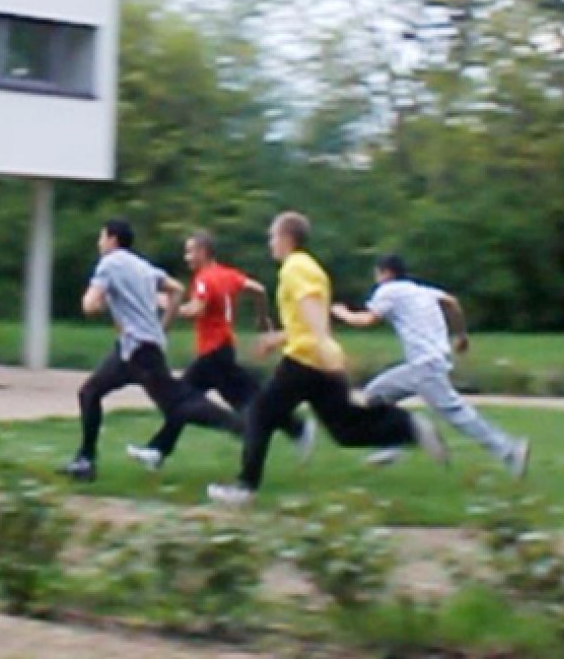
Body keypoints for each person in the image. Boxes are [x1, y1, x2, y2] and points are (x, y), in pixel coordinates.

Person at [207, 212, 442, 505]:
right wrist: (278, 339)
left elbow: (309, 308)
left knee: (259, 414)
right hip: (318, 357)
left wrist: (321, 340)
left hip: (305, 359)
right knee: (344, 429)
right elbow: (303, 321)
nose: (270, 243)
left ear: (287, 238)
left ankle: (244, 488)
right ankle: (408, 427)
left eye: (272, 237)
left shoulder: (294, 268)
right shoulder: (312, 267)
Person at [60, 218, 244, 483]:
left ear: (112, 240)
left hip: (140, 352)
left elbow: (90, 304)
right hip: (131, 349)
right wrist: (163, 327)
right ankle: (85, 461)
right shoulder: (142, 266)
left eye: (102, 238)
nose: (100, 243)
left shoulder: (109, 263)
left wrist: (92, 302)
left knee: (179, 404)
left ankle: (243, 427)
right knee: (90, 392)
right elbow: (176, 289)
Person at [334, 254, 532, 480]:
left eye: (377, 274)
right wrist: (461, 334)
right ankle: (392, 446)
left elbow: (366, 320)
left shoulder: (389, 290)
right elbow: (451, 302)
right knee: (374, 395)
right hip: (429, 363)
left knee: (458, 414)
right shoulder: (421, 290)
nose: (376, 279)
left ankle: (510, 451)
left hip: (423, 366)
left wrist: (342, 313)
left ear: (386, 273)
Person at [126, 231, 311, 470]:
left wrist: (169, 305)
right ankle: (158, 450)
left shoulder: (203, 279)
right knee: (193, 401)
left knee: (186, 400)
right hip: (221, 352)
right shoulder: (228, 274)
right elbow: (259, 289)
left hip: (213, 354)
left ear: (203, 252)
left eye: (190, 251)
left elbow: (197, 310)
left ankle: (293, 430)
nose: (186, 257)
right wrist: (263, 318)